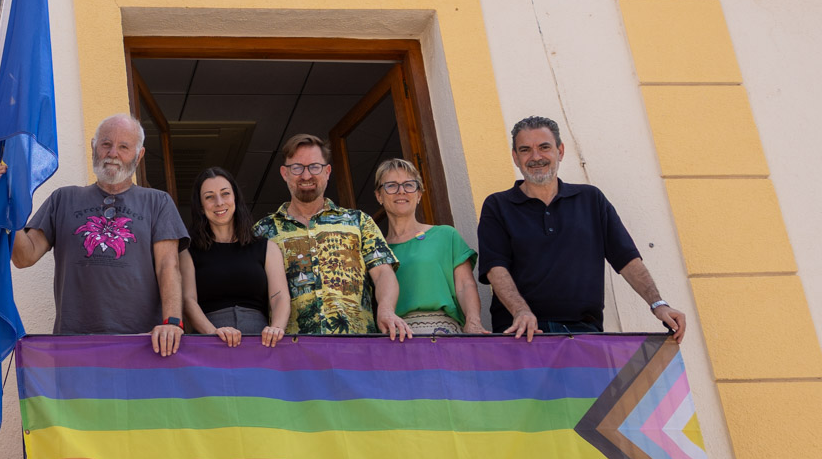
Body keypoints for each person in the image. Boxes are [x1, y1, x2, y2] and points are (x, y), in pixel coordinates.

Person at [477, 116, 688, 340]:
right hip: (521, 333)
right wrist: (521, 311)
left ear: (560, 151)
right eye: (525, 149)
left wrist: (659, 304)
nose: (536, 156)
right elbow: (495, 268)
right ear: (515, 157)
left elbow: (626, 259)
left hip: (584, 334)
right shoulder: (497, 206)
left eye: (544, 147)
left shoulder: (591, 199)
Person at [6, 113, 188, 354]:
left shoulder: (158, 202)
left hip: (143, 344)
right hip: (74, 344)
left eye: (124, 146)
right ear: (94, 147)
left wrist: (172, 322)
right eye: (106, 144)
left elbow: (168, 266)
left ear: (139, 154)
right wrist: (9, 206)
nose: (113, 153)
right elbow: (23, 257)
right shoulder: (63, 198)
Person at [254, 133, 409, 340]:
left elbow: (383, 273)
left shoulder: (358, 221)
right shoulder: (262, 231)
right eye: (297, 168)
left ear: (327, 171)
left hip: (356, 348)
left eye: (314, 167)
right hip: (291, 354)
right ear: (284, 173)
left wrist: (387, 309)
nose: (306, 175)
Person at [180, 167, 289, 347]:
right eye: (209, 197)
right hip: (210, 344)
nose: (219, 202)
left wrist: (276, 328)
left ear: (235, 198)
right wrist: (212, 333)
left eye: (225, 194)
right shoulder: (188, 252)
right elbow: (188, 300)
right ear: (200, 206)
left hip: (260, 342)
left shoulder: (266, 248)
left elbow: (280, 297)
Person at [374, 158, 486, 335]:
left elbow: (465, 285)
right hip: (394, 338)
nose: (401, 191)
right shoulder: (375, 251)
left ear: (419, 194)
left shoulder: (445, 236)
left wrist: (473, 322)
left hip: (443, 333)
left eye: (409, 185)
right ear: (379, 196)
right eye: (391, 185)